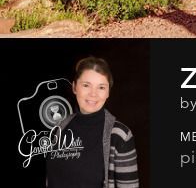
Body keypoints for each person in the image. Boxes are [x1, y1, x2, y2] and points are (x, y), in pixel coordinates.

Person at [46, 57, 139, 188]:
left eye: (101, 87)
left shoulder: (120, 135)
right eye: (86, 85)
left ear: (108, 92)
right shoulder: (60, 127)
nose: (93, 94)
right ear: (74, 87)